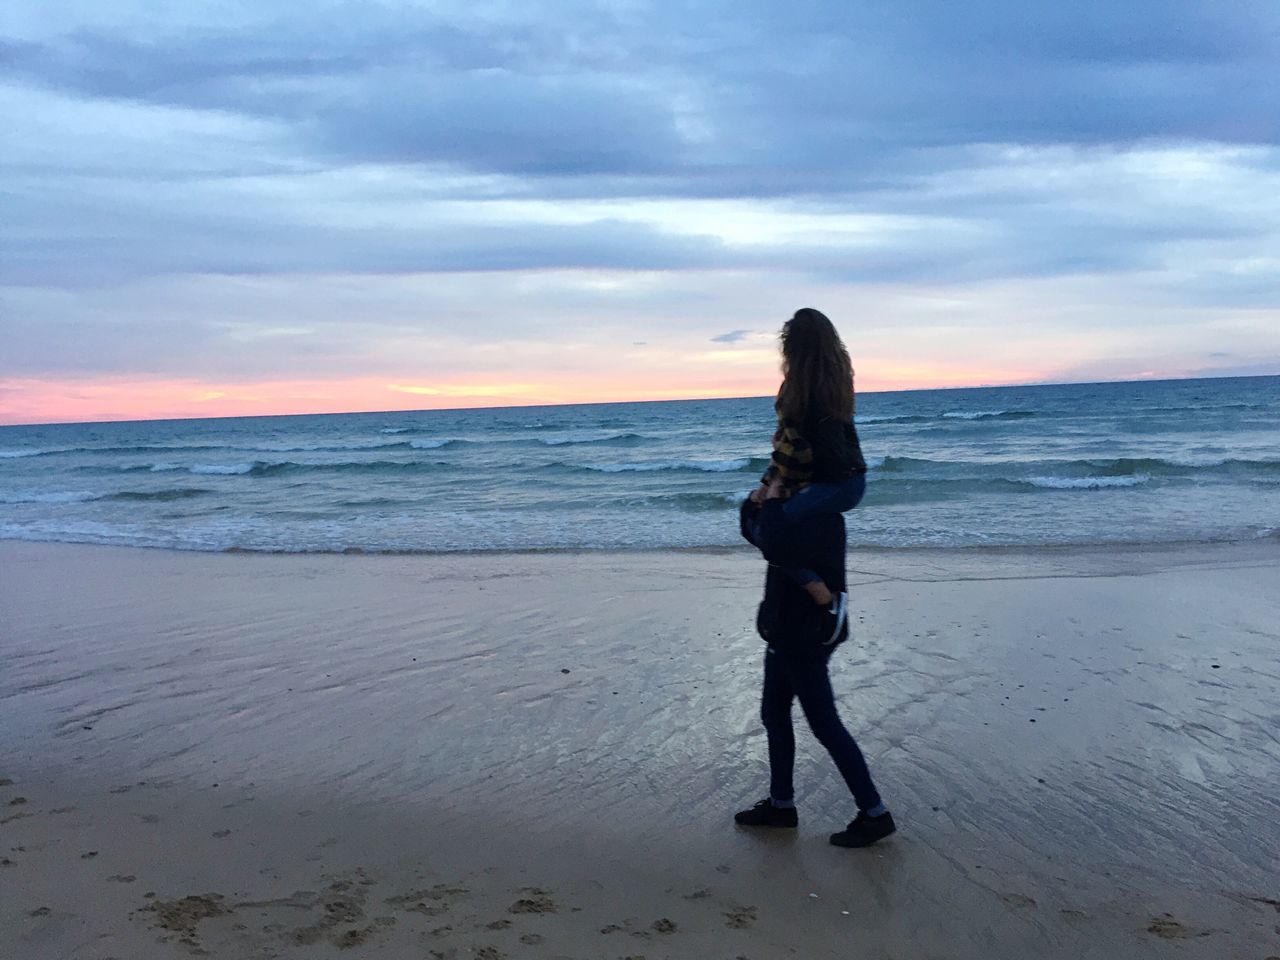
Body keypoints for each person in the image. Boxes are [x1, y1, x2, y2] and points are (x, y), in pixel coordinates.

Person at [734, 310, 894, 849]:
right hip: (787, 623)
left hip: (806, 627)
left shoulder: (818, 513)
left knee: (823, 722)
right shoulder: (806, 492)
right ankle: (781, 805)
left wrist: (770, 503)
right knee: (773, 713)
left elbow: (770, 535)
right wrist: (766, 492)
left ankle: (874, 812)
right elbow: (760, 530)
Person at [746, 309, 869, 634]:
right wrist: (769, 483)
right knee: (762, 520)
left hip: (837, 484)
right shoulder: (834, 383)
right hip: (849, 482)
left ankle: (821, 593)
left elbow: (797, 453)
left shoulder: (803, 392)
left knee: (768, 529)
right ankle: (815, 587)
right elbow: (795, 450)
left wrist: (773, 490)